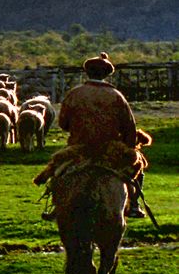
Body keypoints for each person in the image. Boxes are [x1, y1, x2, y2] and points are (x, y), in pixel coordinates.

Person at [34, 53, 146, 217]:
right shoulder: (117, 96)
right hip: (110, 149)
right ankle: (134, 205)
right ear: (106, 74)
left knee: (58, 169)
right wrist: (129, 149)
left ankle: (57, 207)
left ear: (88, 72)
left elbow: (63, 123)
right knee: (138, 168)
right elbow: (129, 126)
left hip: (79, 148)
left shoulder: (75, 93)